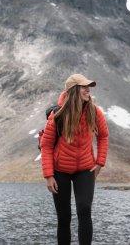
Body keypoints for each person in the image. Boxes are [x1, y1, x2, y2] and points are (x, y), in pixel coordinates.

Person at [41, 73, 109, 245]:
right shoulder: (57, 115)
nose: (88, 90)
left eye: (89, 87)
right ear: (73, 90)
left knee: (84, 210)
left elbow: (103, 136)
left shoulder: (95, 111)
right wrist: (49, 175)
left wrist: (100, 162)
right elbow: (47, 146)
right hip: (59, 170)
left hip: (85, 169)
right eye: (83, 87)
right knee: (64, 217)